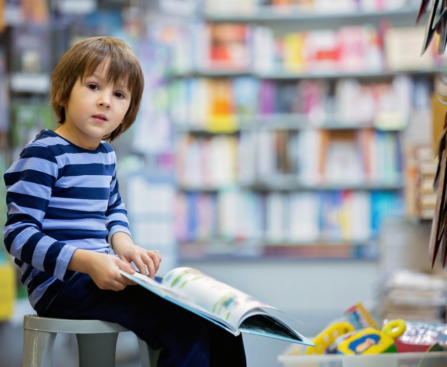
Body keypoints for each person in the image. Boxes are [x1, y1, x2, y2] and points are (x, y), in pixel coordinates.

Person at [3, 37, 246, 367]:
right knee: (182, 323)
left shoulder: (105, 156)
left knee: (221, 318)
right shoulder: (44, 154)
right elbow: (18, 236)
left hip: (100, 274)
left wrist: (125, 245)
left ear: (127, 111)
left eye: (119, 94)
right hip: (62, 286)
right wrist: (89, 262)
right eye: (93, 86)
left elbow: (113, 209)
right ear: (62, 92)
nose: (105, 101)